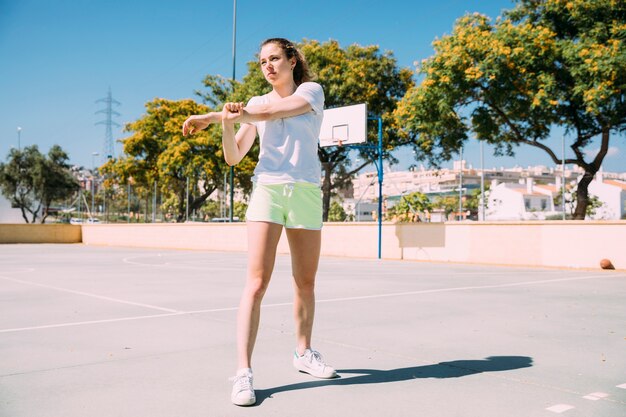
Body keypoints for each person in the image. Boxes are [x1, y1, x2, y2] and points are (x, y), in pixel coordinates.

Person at [182, 38, 336, 407]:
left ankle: (303, 353)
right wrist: (225, 124)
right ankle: (243, 373)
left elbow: (272, 115)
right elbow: (234, 157)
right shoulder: (253, 104)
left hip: (305, 192)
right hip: (268, 189)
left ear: (292, 60)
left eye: (275, 58)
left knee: (305, 281)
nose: (268, 65)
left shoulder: (311, 92)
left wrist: (212, 116)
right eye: (263, 61)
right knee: (256, 283)